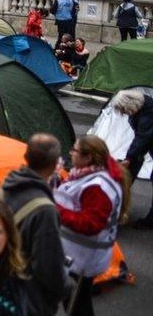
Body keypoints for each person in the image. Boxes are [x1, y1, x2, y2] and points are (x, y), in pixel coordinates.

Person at [56, 136, 129, 316]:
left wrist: (54, 210)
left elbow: (91, 224)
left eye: (74, 150)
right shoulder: (89, 175)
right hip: (79, 256)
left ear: (88, 157)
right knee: (78, 303)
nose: (71, 153)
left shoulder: (98, 186)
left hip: (82, 259)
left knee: (76, 306)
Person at [0, 134, 69, 316]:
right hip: (24, 289)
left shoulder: (7, 184)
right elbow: (48, 266)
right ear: (55, 164)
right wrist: (66, 286)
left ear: (26, 157)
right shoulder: (44, 209)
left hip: (2, 276)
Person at [113, 89, 153, 229]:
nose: (123, 113)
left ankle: (151, 221)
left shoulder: (148, 112)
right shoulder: (141, 108)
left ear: (130, 105)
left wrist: (129, 157)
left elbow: (143, 137)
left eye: (124, 110)